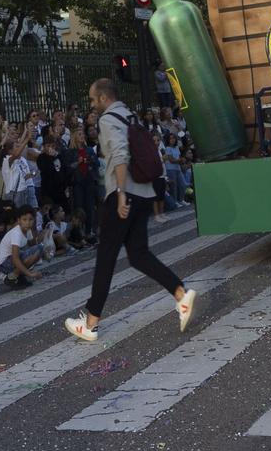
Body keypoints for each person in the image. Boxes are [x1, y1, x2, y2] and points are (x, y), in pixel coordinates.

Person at [64, 78, 195, 344]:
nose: (91, 105)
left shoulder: (108, 119)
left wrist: (122, 193)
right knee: (138, 255)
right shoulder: (131, 116)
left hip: (122, 195)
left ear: (103, 98)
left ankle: (91, 322)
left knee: (106, 256)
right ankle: (181, 294)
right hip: (145, 193)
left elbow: (121, 156)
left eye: (92, 100)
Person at [0, 210, 42, 288]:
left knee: (40, 248)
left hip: (13, 258)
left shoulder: (28, 230)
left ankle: (18, 275)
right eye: (24, 219)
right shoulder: (16, 233)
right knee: (32, 255)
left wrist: (43, 236)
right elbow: (15, 259)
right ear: (19, 220)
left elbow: (33, 245)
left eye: (30, 219)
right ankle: (11, 277)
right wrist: (30, 274)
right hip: (4, 263)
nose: (27, 222)